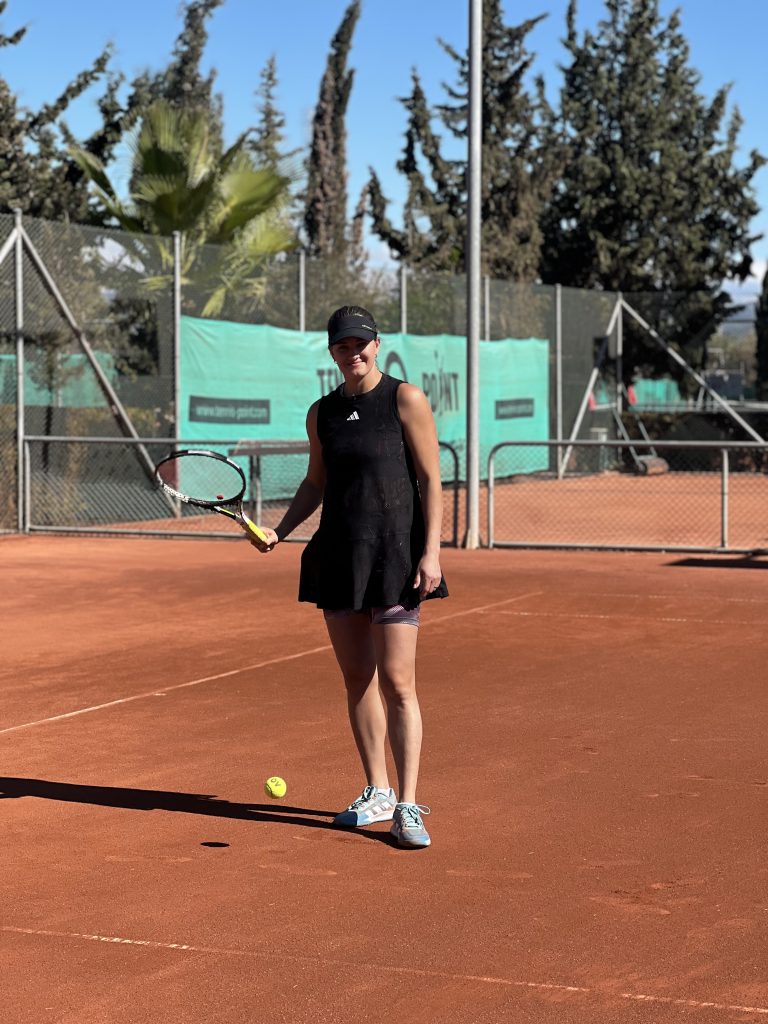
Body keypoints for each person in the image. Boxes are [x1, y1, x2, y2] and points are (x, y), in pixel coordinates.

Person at [251, 305, 448, 848]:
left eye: (361, 343)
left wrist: (431, 553)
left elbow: (431, 479)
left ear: (377, 344)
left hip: (397, 558)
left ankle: (407, 805)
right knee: (358, 677)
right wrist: (279, 531)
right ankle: (378, 791)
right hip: (339, 557)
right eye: (343, 345)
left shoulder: (406, 399)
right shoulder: (322, 413)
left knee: (398, 683)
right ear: (332, 352)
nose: (353, 352)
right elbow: (315, 482)